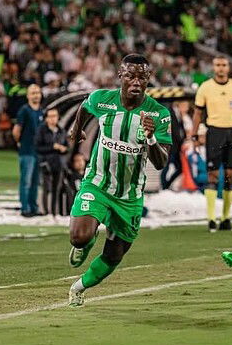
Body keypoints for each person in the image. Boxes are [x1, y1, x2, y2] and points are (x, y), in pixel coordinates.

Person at [66, 54, 171, 306]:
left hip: (129, 197)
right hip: (98, 184)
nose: (136, 82)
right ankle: (84, 243)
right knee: (78, 236)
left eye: (142, 77)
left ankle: (78, 288)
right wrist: (77, 128)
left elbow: (161, 162)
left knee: (114, 256)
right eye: (130, 76)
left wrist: (151, 138)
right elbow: (84, 105)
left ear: (148, 80)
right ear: (120, 77)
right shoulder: (103, 99)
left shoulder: (158, 114)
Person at [190, 56, 232, 232]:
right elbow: (197, 113)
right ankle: (211, 219)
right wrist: (194, 135)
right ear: (213, 68)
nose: (221, 68)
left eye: (224, 65)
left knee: (230, 176)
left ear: (228, 68)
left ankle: (225, 218)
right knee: (213, 176)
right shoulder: (206, 87)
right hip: (214, 132)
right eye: (218, 65)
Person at [12, 84, 43, 217]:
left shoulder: (42, 111)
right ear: (28, 95)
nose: (36, 95)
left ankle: (33, 207)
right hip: (27, 150)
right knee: (26, 180)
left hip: (38, 151)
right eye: (33, 93)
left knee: (35, 181)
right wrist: (19, 142)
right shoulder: (24, 110)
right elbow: (16, 130)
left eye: (37, 92)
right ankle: (25, 208)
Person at [35, 108, 68, 216]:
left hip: (59, 163)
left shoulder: (61, 131)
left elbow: (67, 147)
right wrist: (53, 147)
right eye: (50, 116)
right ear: (46, 118)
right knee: (46, 188)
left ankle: (54, 212)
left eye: (55, 116)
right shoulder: (41, 130)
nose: (53, 119)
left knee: (56, 189)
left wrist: (64, 149)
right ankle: (45, 211)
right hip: (46, 162)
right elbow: (37, 147)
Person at [186, 123, 208, 191]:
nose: (203, 138)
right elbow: (194, 173)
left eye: (204, 136)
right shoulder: (192, 152)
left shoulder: (208, 149)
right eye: (201, 136)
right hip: (199, 180)